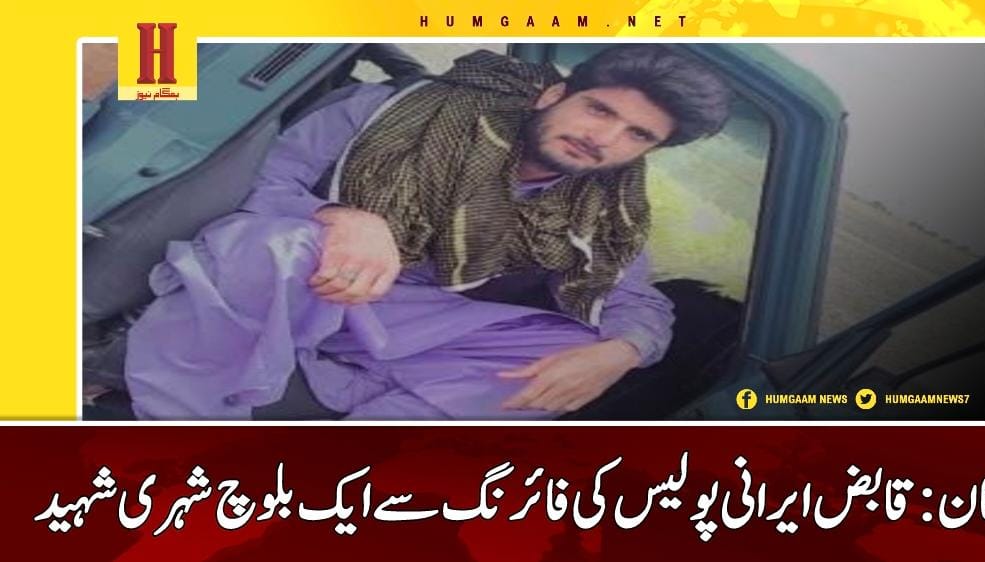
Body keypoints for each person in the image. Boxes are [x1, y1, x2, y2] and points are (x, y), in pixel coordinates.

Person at [125, 44, 734, 420]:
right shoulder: (398, 112)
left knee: (569, 350)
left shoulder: (607, 206)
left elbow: (637, 301)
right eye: (599, 110)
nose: (604, 138)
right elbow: (263, 181)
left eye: (637, 135)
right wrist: (343, 217)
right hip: (297, 281)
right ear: (555, 94)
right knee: (287, 247)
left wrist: (623, 352)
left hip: (395, 319)